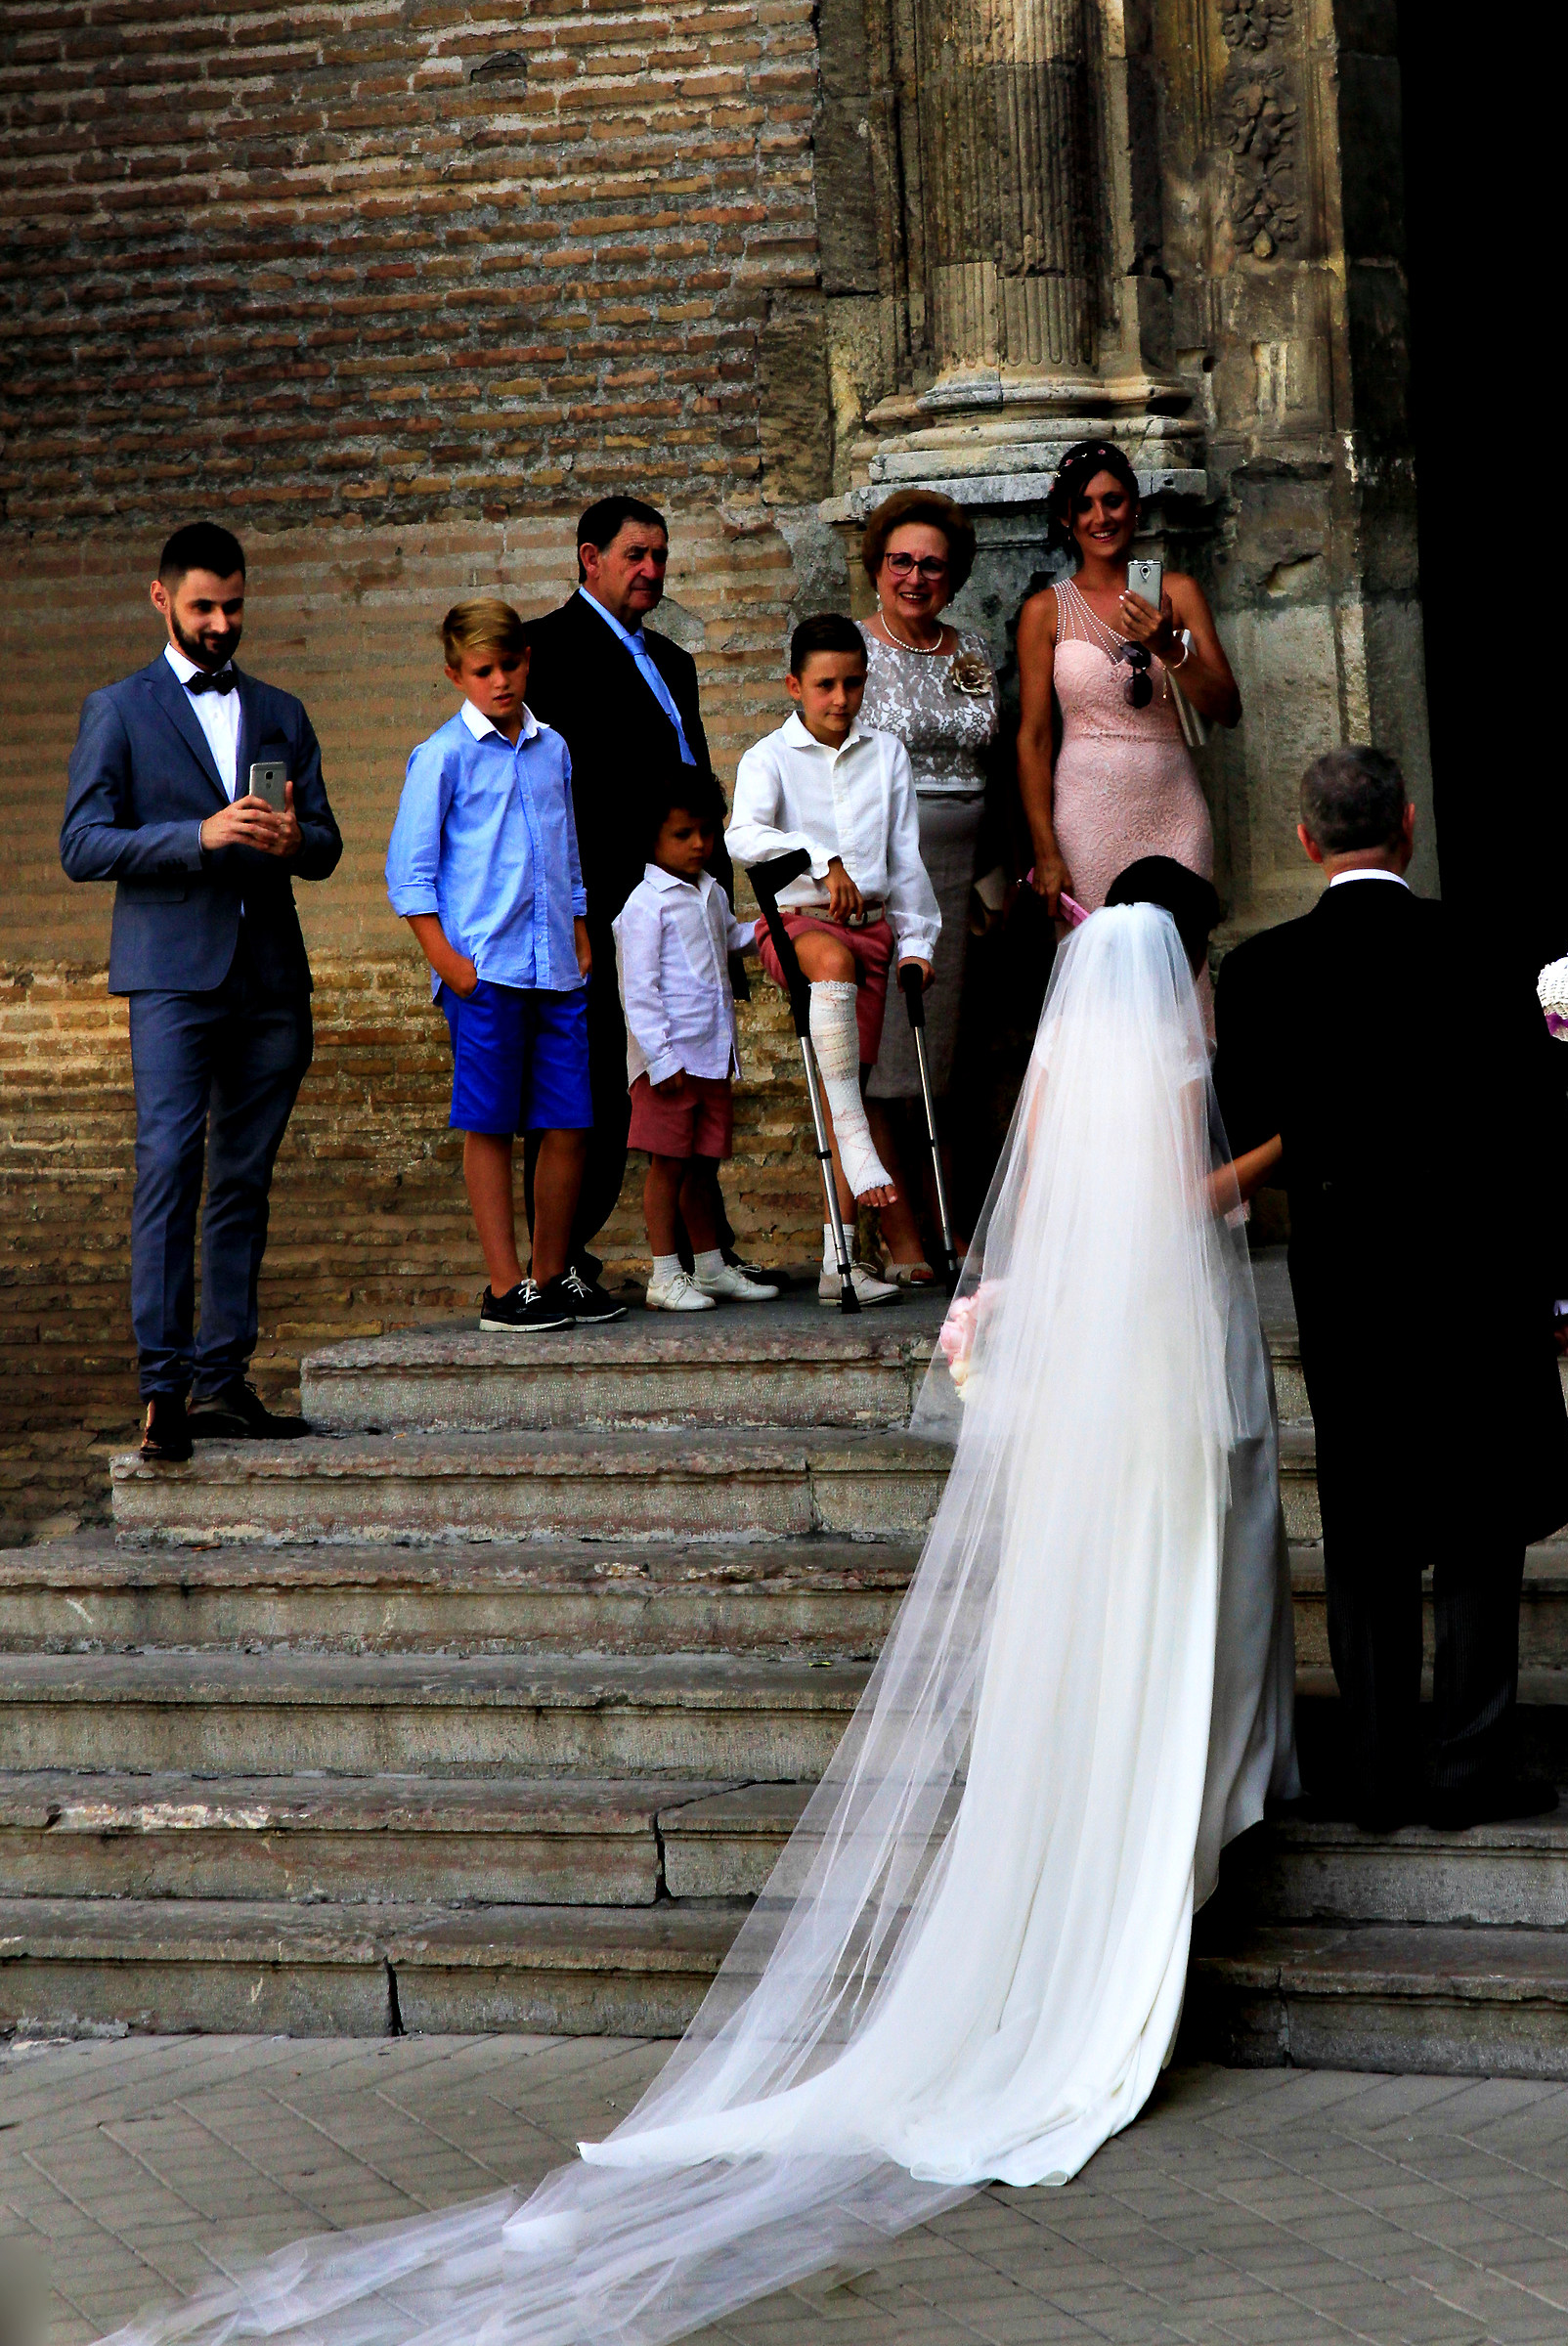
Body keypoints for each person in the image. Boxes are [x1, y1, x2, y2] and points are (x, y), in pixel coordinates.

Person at [106, 896, 1298, 2346]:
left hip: (1074, 1386)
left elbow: (1040, 1211)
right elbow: (1176, 1204)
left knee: (1074, 1621)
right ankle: (1165, 1834)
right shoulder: (1178, 1067)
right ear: (1179, 977)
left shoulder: (1054, 1078)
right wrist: (1276, 1154)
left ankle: (1087, 1831)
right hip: (1156, 1376)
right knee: (1165, 1592)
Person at [1213, 746, 1568, 1833]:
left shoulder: (1261, 972)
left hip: (1349, 1266)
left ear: (1305, 839)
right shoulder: (1480, 947)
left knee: (1369, 1512)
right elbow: (1537, 1128)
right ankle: (1472, 1765)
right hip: (1478, 1260)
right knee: (1481, 1513)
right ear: (1411, 828)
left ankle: (1381, 1769)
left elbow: (1256, 1140)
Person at [60, 520, 343, 1462]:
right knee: (169, 1167)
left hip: (269, 977)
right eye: (203, 608)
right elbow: (82, 844)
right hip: (173, 979)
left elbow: (330, 844)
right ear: (161, 599)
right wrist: (199, 836)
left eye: (234, 607)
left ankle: (224, 1383)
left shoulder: (280, 708)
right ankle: (161, 1389)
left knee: (243, 1183)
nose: (221, 624)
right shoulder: (119, 708)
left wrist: (293, 842)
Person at [520, 495, 754, 1283]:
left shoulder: (673, 660)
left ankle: (705, 1255)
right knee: (591, 1085)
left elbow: (691, 782)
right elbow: (549, 796)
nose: (652, 569)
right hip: (607, 906)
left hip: (687, 899)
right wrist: (575, 908)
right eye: (634, 556)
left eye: (660, 555)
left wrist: (716, 889)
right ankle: (559, 1258)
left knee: (697, 1073)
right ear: (589, 558)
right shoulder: (545, 651)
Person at [385, 599, 611, 1333]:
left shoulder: (556, 749)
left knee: (570, 1121)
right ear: (456, 674)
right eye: (483, 670)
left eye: (510, 665)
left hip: (557, 967)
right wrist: (448, 963)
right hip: (485, 970)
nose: (500, 681)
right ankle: (503, 1284)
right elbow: (411, 874)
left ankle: (551, 1274)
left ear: (527, 661)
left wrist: (578, 926)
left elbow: (569, 847)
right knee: (489, 1124)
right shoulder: (441, 756)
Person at [726, 614, 940, 1306]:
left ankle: (840, 1263)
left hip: (874, 931)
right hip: (799, 924)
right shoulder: (769, 757)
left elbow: (906, 858)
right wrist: (824, 862)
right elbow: (744, 836)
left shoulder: (888, 754)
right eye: (824, 685)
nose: (839, 699)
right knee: (833, 977)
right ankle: (856, 1145)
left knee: (842, 1085)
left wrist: (915, 944)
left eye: (852, 684)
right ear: (795, 685)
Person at [856, 488, 1002, 1284]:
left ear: (954, 575)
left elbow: (994, 762)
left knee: (945, 1066)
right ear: (877, 568)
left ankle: (952, 1218)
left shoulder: (972, 649)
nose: (915, 576)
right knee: (885, 1066)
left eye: (931, 565)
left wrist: (991, 879)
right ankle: (903, 1229)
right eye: (900, 561)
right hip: (884, 875)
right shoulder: (851, 651)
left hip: (962, 877)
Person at [1017, 440, 1241, 920]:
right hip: (1085, 817)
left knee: (1180, 960)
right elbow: (1034, 737)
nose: (1101, 518)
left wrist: (1168, 647)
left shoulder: (1178, 592)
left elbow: (1228, 708)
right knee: (1100, 964)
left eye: (1113, 501)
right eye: (1085, 506)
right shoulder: (1044, 612)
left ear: (1136, 508)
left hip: (1174, 809)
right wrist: (1045, 848)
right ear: (1066, 520)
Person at [614, 774, 778, 1313]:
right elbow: (638, 990)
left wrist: (770, 931)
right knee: (668, 1167)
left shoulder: (710, 890)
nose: (698, 845)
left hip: (710, 1054)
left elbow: (727, 939)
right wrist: (661, 1059)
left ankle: (709, 1266)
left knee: (703, 1165)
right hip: (671, 1062)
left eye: (707, 832)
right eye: (683, 834)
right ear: (651, 838)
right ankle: (665, 1274)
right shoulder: (645, 905)